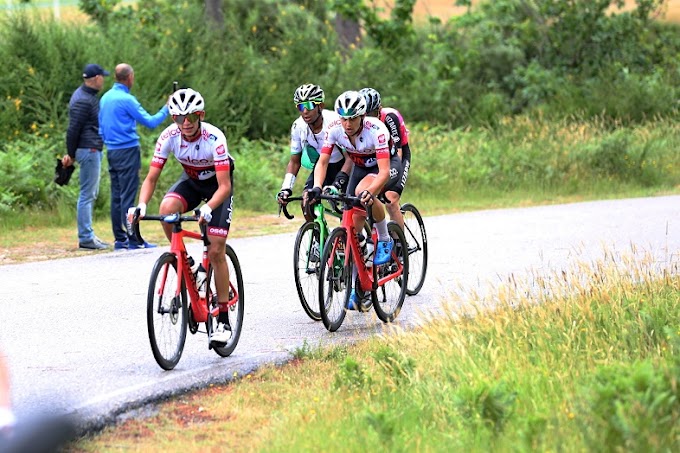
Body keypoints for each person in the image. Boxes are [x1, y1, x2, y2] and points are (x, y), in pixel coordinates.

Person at [128, 88, 235, 345]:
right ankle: (185, 261)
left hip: (218, 188)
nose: (185, 123)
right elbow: (152, 177)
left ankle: (223, 319)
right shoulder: (169, 137)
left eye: (191, 117)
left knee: (217, 249)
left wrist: (209, 207)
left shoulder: (214, 139)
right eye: (179, 118)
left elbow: (225, 186)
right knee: (166, 210)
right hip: (192, 181)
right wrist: (141, 205)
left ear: (201, 116)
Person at [308, 90, 402, 309]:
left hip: (382, 167)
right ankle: (359, 286)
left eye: (352, 118)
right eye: (343, 118)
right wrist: (316, 187)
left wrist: (371, 191)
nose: (347, 124)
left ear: (362, 116)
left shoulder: (376, 130)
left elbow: (384, 172)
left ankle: (385, 237)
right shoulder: (334, 130)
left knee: (363, 194)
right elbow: (322, 162)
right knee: (350, 228)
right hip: (360, 166)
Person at [99, 63, 169, 250]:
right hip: (128, 150)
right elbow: (151, 122)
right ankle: (133, 239)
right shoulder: (127, 100)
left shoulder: (105, 98)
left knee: (116, 196)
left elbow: (101, 127)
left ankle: (119, 239)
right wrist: (167, 108)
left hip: (111, 151)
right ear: (129, 77)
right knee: (128, 196)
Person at [276, 83, 352, 223]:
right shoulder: (298, 126)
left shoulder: (335, 122)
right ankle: (316, 237)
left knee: (351, 208)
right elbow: (294, 161)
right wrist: (286, 188)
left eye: (309, 106)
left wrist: (337, 183)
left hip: (344, 166)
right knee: (307, 201)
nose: (305, 111)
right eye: (300, 106)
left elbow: (350, 158)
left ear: (320, 106)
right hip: (322, 166)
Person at [63, 63, 110, 250]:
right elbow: (73, 129)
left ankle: (89, 235)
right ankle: (86, 238)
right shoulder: (84, 99)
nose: (104, 80)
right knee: (87, 195)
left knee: (90, 194)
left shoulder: (86, 96)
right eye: (102, 77)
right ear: (96, 78)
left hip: (88, 149)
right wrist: (71, 153)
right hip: (88, 149)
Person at [359, 87, 411, 229]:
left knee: (391, 201)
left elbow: (398, 153)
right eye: (365, 114)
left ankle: (401, 245)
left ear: (379, 109)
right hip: (376, 158)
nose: (368, 118)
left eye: (372, 113)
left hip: (397, 155)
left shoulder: (390, 117)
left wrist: (387, 181)